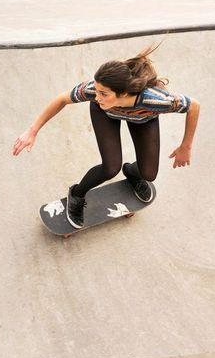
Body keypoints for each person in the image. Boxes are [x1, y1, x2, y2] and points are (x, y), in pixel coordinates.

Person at [12, 43, 200, 228]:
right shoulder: (95, 93)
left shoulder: (155, 100)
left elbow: (194, 106)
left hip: (143, 118)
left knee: (148, 174)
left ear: (124, 93)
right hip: (105, 114)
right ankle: (77, 194)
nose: (96, 96)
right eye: (97, 90)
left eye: (104, 93)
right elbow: (62, 99)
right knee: (111, 167)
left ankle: (132, 172)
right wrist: (33, 130)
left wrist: (186, 146)